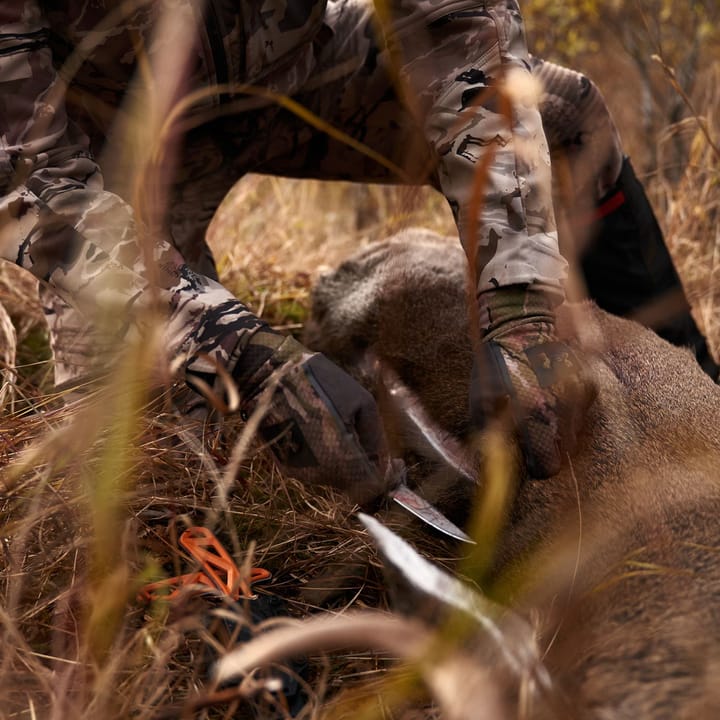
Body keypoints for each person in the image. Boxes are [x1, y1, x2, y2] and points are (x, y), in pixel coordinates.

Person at [0, 0, 698, 505]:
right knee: (129, 437)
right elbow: (36, 187)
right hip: (104, 144)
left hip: (299, 73)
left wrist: (520, 308)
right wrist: (230, 344)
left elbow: (462, 33)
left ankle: (694, 395)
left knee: (566, 119)